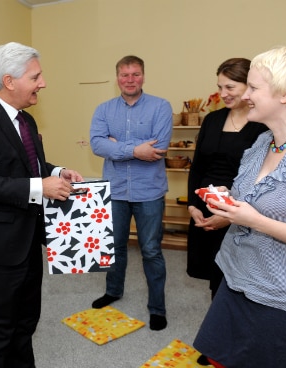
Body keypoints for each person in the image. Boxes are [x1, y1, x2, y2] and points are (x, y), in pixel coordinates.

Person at [193, 45, 286, 367]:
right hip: (235, 278)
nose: (247, 95)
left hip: (283, 298)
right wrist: (226, 201)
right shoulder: (263, 142)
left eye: (255, 88)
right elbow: (251, 199)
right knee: (217, 358)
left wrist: (256, 220)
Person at [0, 42, 83, 368]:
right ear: (10, 81)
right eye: (36, 76)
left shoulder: (26, 120)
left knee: (26, 320)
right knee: (0, 327)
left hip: (27, 238)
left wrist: (55, 171)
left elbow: (29, 164)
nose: (43, 83)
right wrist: (42, 186)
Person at [89, 55, 172, 331]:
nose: (130, 80)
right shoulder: (103, 109)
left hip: (149, 192)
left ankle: (157, 308)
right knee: (114, 246)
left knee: (150, 250)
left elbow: (158, 147)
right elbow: (97, 144)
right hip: (115, 191)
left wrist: (118, 147)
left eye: (135, 74)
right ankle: (113, 291)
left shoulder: (161, 107)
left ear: (143, 76)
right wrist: (136, 150)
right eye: (125, 75)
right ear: (117, 78)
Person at [186, 58, 268, 299]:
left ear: (249, 86)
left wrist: (229, 215)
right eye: (220, 87)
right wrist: (192, 205)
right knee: (214, 273)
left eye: (230, 87)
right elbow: (198, 166)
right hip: (206, 206)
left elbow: (262, 178)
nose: (222, 93)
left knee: (238, 277)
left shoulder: (263, 125)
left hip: (243, 209)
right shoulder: (212, 120)